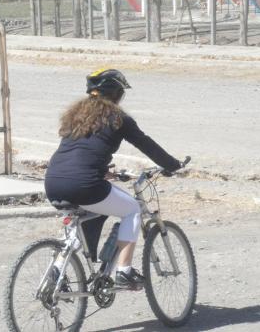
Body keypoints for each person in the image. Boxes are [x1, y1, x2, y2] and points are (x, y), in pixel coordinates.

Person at [45, 68, 182, 290]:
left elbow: (81, 151)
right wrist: (173, 165)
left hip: (53, 181)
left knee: (82, 220)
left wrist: (101, 170)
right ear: (117, 94)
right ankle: (124, 271)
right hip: (85, 184)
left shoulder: (75, 116)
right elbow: (146, 144)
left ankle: (57, 272)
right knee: (132, 210)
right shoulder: (119, 118)